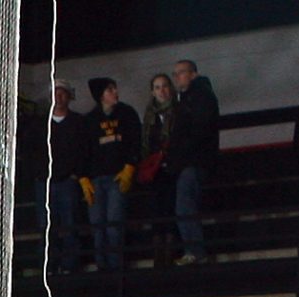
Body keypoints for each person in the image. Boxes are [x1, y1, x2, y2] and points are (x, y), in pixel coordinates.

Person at [82, 77, 140, 273]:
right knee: (98, 226)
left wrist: (130, 167)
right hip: (96, 179)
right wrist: (84, 178)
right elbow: (84, 151)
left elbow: (135, 142)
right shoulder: (89, 120)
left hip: (117, 177)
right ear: (100, 95)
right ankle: (102, 267)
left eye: (115, 88)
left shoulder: (127, 113)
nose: (115, 92)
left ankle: (116, 267)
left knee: (114, 224)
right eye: (109, 90)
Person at [170, 59, 219, 264]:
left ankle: (195, 251)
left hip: (194, 161)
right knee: (186, 205)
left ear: (193, 74)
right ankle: (194, 250)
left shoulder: (198, 96)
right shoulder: (194, 95)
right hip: (194, 160)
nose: (177, 77)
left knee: (185, 206)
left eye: (180, 72)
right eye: (176, 73)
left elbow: (199, 128)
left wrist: (181, 151)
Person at [44, 82, 90, 276]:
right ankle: (50, 266)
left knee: (71, 223)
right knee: (47, 227)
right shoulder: (41, 123)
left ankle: (70, 265)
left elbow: (84, 150)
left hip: (69, 181)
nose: (59, 97)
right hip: (46, 182)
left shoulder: (79, 122)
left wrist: (76, 174)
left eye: (63, 93)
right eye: (55, 93)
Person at [139, 74, 178, 267]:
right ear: (152, 91)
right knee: (156, 208)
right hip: (154, 170)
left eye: (164, 86)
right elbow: (145, 143)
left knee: (170, 207)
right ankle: (158, 252)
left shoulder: (179, 109)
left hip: (173, 167)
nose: (161, 91)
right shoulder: (149, 114)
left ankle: (169, 251)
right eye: (157, 87)